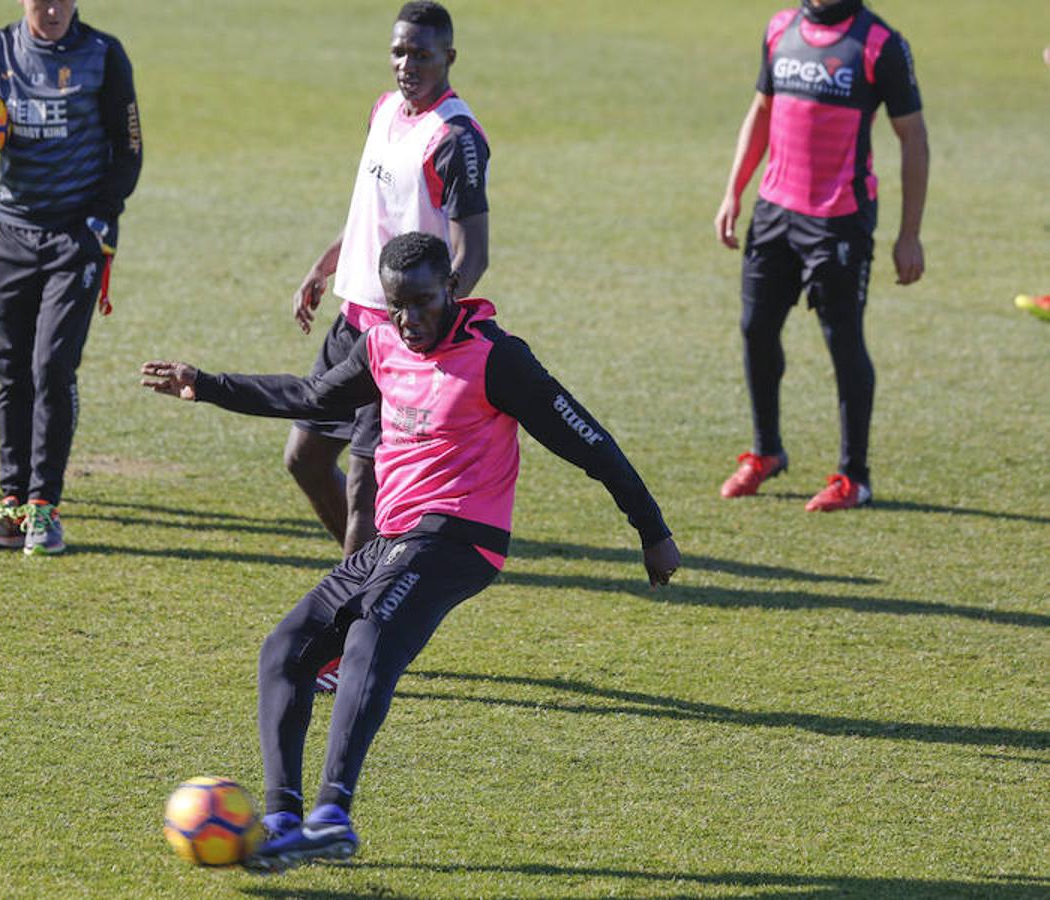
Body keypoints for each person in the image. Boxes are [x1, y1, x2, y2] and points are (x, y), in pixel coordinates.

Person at [141, 232, 680, 872]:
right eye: (398, 305)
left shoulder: (497, 360)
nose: (410, 319)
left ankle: (331, 817)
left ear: (452, 289)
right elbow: (310, 398)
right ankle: (284, 821)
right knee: (285, 649)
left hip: (461, 536)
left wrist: (652, 529)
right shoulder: (381, 346)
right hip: (394, 540)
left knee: (371, 634)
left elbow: (587, 440)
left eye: (423, 302)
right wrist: (205, 384)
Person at [0, 0, 142, 555]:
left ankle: (45, 507)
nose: (55, 8)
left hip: (75, 238)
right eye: (42, 0)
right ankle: (13, 504)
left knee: (52, 365)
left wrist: (99, 219)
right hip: (10, 236)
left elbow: (128, 150)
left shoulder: (104, 55)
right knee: (13, 370)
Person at [287, 0, 490, 558]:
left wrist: (424, 326)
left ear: (448, 57)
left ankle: (353, 616)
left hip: (395, 337)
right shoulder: (383, 110)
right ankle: (373, 572)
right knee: (303, 457)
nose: (408, 64)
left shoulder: (455, 137)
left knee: (364, 490)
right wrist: (328, 264)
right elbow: (373, 211)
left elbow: (473, 255)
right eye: (399, 52)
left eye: (421, 54)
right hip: (352, 319)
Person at [714, 0, 928, 511]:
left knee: (844, 343)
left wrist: (909, 234)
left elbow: (913, 136)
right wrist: (733, 192)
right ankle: (766, 453)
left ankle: (855, 476)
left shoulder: (880, 44)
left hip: (839, 220)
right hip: (774, 213)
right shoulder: (780, 28)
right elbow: (761, 111)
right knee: (755, 328)